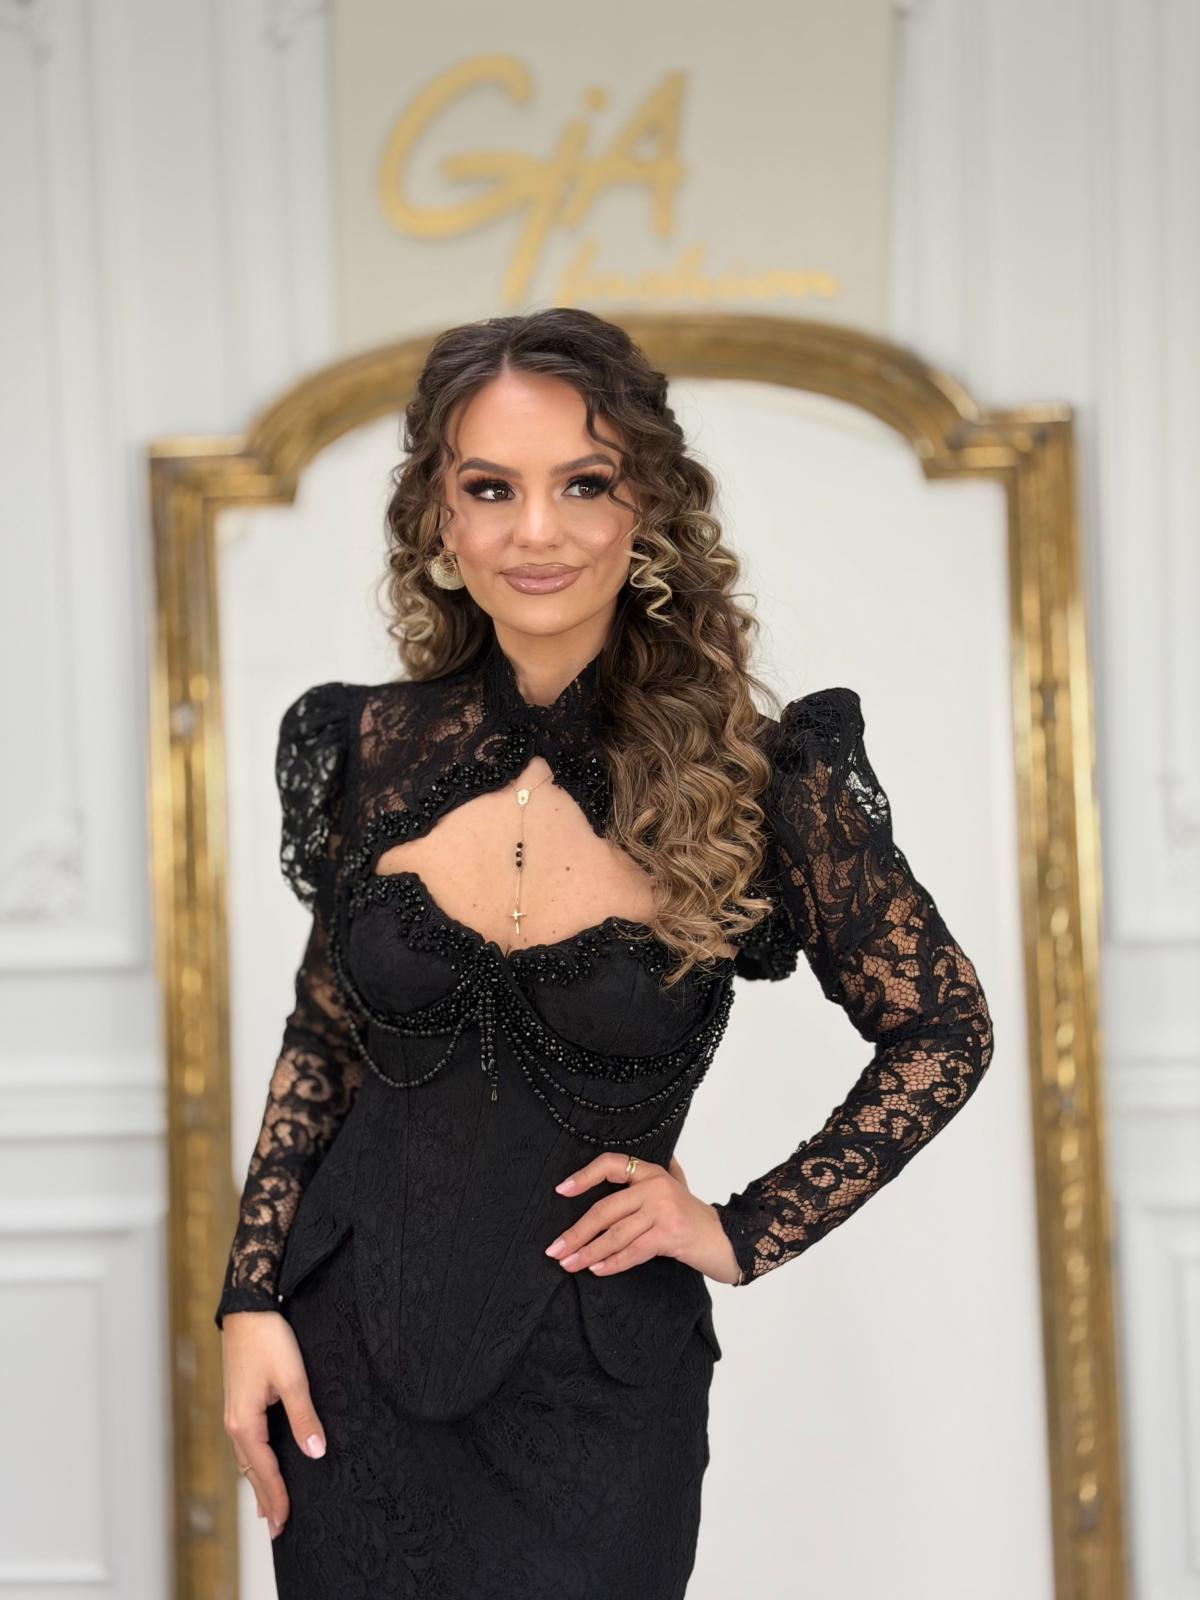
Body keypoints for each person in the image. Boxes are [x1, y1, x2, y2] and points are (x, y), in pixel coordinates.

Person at [217, 307, 993, 1600]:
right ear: (439, 520)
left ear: (648, 508)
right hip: (346, 1373)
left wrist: (742, 1229)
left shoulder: (759, 780)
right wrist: (250, 1299)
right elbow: (324, 1040)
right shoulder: (367, 748)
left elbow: (944, 1029)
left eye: (584, 483)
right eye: (491, 488)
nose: (539, 531)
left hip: (598, 1397)